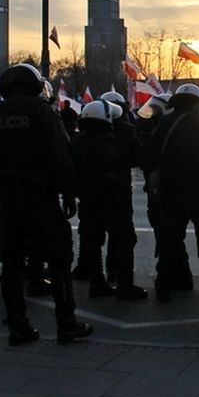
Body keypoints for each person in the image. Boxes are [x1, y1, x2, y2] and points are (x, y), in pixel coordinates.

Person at [0, 63, 92, 345]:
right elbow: (59, 155)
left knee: (13, 266)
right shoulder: (42, 112)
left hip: (7, 199)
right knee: (59, 260)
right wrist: (69, 193)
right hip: (40, 197)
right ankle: (66, 323)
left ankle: (18, 326)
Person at [143, 83, 199, 305]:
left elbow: (148, 157)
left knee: (169, 241)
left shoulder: (164, 124)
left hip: (172, 192)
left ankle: (163, 287)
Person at [70, 101, 147, 300]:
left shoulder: (77, 142)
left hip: (87, 199)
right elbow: (136, 158)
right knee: (124, 240)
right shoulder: (112, 143)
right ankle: (125, 285)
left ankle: (97, 283)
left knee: (92, 240)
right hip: (114, 199)